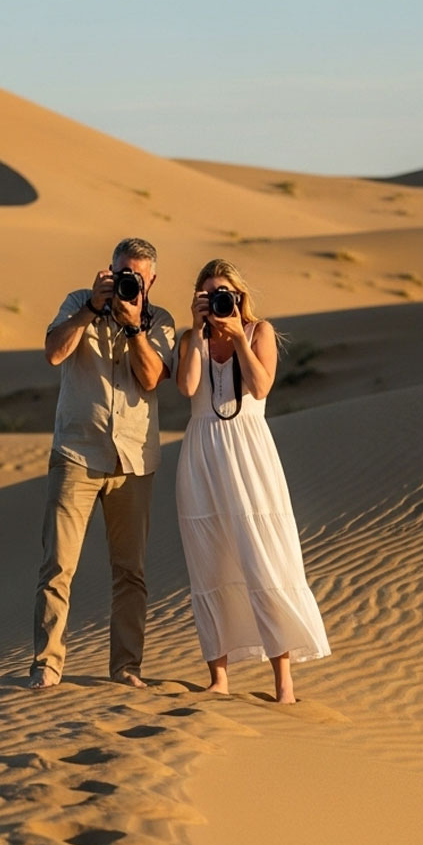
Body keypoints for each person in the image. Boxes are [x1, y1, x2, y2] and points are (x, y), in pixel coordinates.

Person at [175, 259, 330, 703]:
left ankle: (283, 683)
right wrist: (197, 331)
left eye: (225, 293)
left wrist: (238, 336)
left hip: (250, 453)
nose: (219, 302)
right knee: (210, 561)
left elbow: (260, 388)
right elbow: (187, 388)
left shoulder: (259, 331)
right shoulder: (194, 338)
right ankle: (218, 678)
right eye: (209, 295)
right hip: (202, 454)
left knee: (264, 557)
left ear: (240, 296)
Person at [30, 238, 175, 689]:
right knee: (58, 565)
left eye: (137, 275)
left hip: (133, 460)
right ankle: (47, 663)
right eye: (121, 272)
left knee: (130, 571)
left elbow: (151, 378)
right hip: (78, 453)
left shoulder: (160, 321)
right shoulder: (78, 303)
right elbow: (54, 352)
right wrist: (92, 308)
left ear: (151, 280)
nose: (128, 281)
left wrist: (133, 328)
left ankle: (126, 668)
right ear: (108, 270)